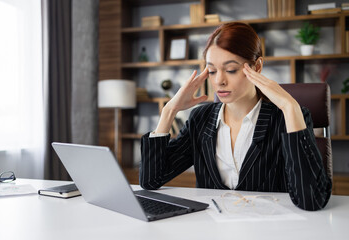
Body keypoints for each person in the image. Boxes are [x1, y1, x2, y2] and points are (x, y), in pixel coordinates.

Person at [139, 22, 332, 211]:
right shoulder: (201, 119)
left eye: (231, 70)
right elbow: (151, 180)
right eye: (212, 71)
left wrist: (290, 107)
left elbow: (311, 200)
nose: (219, 80)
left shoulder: (286, 118)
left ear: (256, 67)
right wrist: (169, 111)